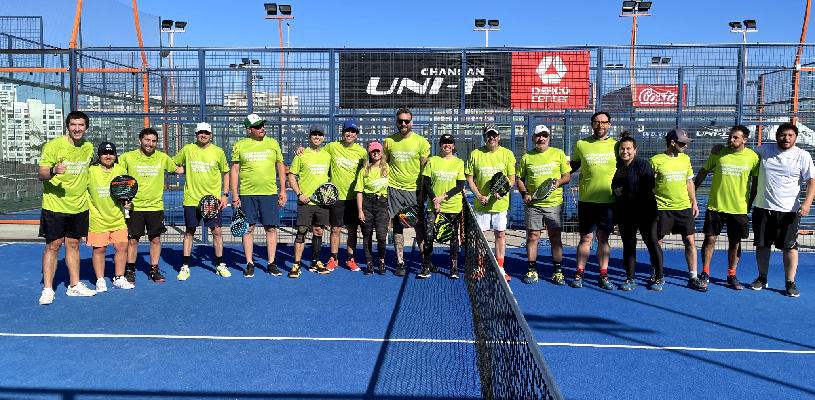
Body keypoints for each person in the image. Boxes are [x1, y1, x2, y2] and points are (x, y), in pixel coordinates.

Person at [748, 122, 815, 297]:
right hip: (763, 207)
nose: (786, 138)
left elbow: (811, 182)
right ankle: (762, 278)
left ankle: (790, 282)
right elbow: (741, 154)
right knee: (762, 245)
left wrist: (807, 203)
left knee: (790, 248)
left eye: (790, 135)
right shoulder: (763, 151)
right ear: (777, 136)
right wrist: (720, 148)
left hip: (789, 210)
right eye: (783, 135)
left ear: (795, 137)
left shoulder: (803, 155)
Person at [37, 111, 97, 304]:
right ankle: (48, 289)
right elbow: (41, 174)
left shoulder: (88, 147)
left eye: (80, 125)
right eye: (73, 125)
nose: (77, 128)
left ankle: (74, 285)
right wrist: (54, 170)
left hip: (79, 205)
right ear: (67, 126)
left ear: (86, 128)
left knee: (73, 244)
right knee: (53, 245)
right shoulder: (53, 146)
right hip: (55, 205)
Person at [694, 125, 759, 290]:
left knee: (735, 242)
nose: (731, 140)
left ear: (745, 140)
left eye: (735, 137)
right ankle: (705, 272)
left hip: (738, 209)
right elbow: (703, 171)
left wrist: (750, 202)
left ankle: (731, 275)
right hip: (716, 206)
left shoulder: (753, 157)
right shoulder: (718, 152)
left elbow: (755, 183)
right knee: (709, 239)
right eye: (730, 136)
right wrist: (692, 192)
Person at [119, 127, 181, 284]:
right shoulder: (127, 157)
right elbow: (116, 176)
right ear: (140, 140)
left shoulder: (162, 157)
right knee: (133, 240)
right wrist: (124, 199)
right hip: (134, 208)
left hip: (155, 207)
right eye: (147, 140)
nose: (150, 143)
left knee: (155, 240)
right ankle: (130, 269)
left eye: (154, 141)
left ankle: (154, 269)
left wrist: (198, 166)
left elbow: (177, 169)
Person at [230, 114, 288, 278]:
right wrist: (234, 194)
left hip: (269, 193)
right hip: (247, 193)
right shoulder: (240, 145)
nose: (262, 128)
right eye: (257, 126)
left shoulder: (273, 143)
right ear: (249, 129)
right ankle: (249, 263)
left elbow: (280, 167)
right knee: (249, 229)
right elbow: (234, 171)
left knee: (271, 228)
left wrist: (283, 190)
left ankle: (271, 263)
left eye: (262, 125)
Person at [172, 122, 231, 280]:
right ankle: (185, 266)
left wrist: (225, 194)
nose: (203, 135)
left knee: (217, 232)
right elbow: (175, 165)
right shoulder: (188, 149)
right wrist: (163, 165)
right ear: (196, 134)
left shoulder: (218, 152)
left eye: (206, 132)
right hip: (191, 199)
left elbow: (226, 172)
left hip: (212, 200)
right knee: (189, 231)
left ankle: (220, 264)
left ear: (211, 135)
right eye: (200, 132)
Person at [650, 129, 705, 291]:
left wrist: (694, 202)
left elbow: (689, 182)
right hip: (661, 208)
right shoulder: (655, 160)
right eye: (682, 142)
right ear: (672, 143)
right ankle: (657, 274)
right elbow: (647, 184)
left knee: (690, 241)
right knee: (657, 241)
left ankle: (693, 277)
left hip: (683, 208)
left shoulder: (685, 159)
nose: (685, 145)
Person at [516, 125, 571, 285]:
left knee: (555, 238)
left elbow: (566, 176)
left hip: (554, 204)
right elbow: (520, 179)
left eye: (544, 135)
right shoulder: (527, 157)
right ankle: (532, 270)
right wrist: (524, 193)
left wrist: (558, 182)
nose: (541, 138)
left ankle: (558, 272)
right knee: (533, 237)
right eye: (538, 136)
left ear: (549, 137)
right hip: (533, 205)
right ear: (533, 138)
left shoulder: (558, 154)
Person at [569, 111, 617, 290]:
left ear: (609, 124)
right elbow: (573, 166)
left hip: (609, 201)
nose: (600, 126)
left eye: (603, 122)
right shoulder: (582, 144)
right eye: (596, 122)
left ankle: (603, 275)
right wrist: (555, 176)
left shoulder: (617, 145)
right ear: (592, 125)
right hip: (587, 201)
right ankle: (579, 273)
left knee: (603, 239)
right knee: (585, 238)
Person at [612, 137, 665, 290]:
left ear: (635, 150)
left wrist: (625, 190)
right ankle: (630, 279)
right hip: (625, 213)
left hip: (645, 212)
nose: (625, 151)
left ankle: (659, 277)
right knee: (628, 246)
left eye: (628, 148)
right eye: (622, 148)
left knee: (651, 242)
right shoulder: (617, 167)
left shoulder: (643, 165)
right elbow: (613, 188)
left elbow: (648, 185)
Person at [466, 124, 517, 281]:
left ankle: (500, 267)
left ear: (499, 137)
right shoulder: (475, 154)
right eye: (489, 135)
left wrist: (501, 191)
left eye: (494, 135)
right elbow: (470, 180)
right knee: (482, 237)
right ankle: (480, 266)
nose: (491, 138)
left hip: (500, 205)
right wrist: (479, 195)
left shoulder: (508, 154)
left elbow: (511, 180)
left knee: (500, 234)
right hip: (482, 205)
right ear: (484, 137)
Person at [385, 108, 430, 276]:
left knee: (419, 225)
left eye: (406, 121)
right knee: (397, 225)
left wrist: (422, 193)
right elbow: (384, 163)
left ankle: (425, 262)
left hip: (414, 191)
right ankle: (400, 263)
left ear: (411, 122)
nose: (403, 124)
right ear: (396, 122)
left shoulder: (421, 142)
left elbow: (425, 171)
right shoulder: (389, 141)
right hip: (394, 190)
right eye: (400, 121)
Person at [319, 120, 367, 271]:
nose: (350, 134)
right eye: (347, 131)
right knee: (335, 229)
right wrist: (302, 150)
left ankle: (350, 260)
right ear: (343, 132)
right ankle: (333, 259)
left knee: (352, 229)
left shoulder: (362, 152)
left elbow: (370, 170)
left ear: (356, 134)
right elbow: (317, 154)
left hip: (354, 198)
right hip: (336, 197)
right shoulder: (332, 147)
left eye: (353, 131)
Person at [86, 142, 134, 291]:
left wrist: (127, 203)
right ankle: (100, 280)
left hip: (118, 218)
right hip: (97, 219)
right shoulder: (90, 171)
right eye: (105, 153)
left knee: (122, 247)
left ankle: (119, 278)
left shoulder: (120, 170)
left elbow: (125, 192)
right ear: (98, 156)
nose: (108, 156)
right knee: (99, 249)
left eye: (111, 153)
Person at [287, 124, 333, 277]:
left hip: (322, 202)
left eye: (320, 135)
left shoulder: (327, 156)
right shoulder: (301, 154)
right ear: (310, 136)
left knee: (319, 231)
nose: (317, 137)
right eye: (314, 134)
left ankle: (315, 262)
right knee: (301, 232)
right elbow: (291, 175)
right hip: (305, 201)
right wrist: (299, 193)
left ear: (324, 137)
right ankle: (297, 264)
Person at [418, 134, 465, 279]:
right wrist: (434, 200)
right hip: (434, 206)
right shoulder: (432, 161)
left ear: (453, 145)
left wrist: (443, 197)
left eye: (450, 143)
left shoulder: (459, 162)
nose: (447, 145)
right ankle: (426, 267)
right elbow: (426, 183)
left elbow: (460, 185)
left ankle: (453, 268)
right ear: (440, 145)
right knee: (429, 235)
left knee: (453, 237)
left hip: (452, 206)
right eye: (444, 142)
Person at [356, 142, 390, 275]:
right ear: (369, 153)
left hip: (382, 203)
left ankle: (381, 261)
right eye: (373, 151)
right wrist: (360, 210)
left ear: (381, 153)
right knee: (367, 235)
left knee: (381, 235)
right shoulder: (364, 170)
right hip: (367, 204)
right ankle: (369, 263)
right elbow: (359, 191)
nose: (376, 153)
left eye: (378, 151)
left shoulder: (387, 168)